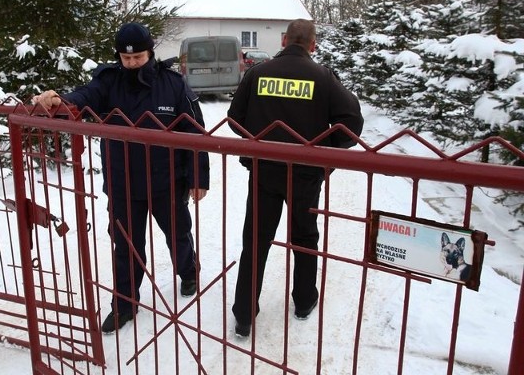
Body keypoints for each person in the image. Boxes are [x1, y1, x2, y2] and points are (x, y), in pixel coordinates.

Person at [33, 22, 210, 334]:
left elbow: (195, 131)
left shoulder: (174, 84)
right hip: (123, 182)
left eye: (138, 58)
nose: (131, 63)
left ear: (150, 53)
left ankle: (189, 271)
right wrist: (60, 100)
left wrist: (198, 177)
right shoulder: (108, 82)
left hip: (167, 180)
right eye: (126, 58)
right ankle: (125, 303)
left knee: (178, 233)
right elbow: (84, 96)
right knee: (126, 245)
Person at [228, 18, 363, 338]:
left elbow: (235, 119)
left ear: (284, 39)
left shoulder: (257, 73)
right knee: (304, 238)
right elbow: (351, 124)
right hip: (305, 174)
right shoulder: (323, 77)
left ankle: (244, 314)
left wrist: (257, 139)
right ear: (312, 45)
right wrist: (323, 152)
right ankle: (304, 301)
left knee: (256, 241)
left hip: (264, 170)